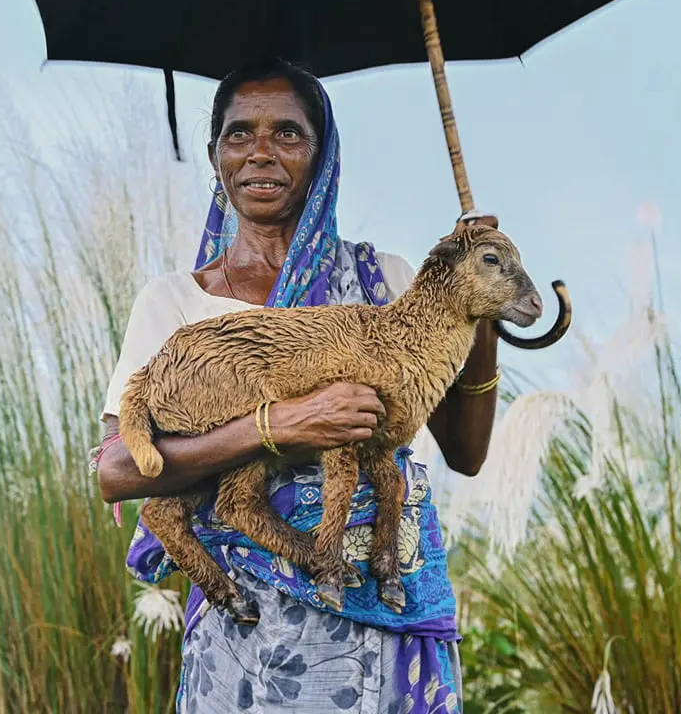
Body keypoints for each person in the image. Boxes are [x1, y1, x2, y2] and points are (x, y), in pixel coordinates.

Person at [95, 58, 501, 713]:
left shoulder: (387, 280)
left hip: (383, 624)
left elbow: (467, 452)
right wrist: (277, 425)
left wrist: (481, 288)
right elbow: (117, 471)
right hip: (246, 640)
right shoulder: (176, 303)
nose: (260, 151)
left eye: (287, 133)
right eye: (239, 133)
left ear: (323, 155)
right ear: (216, 155)